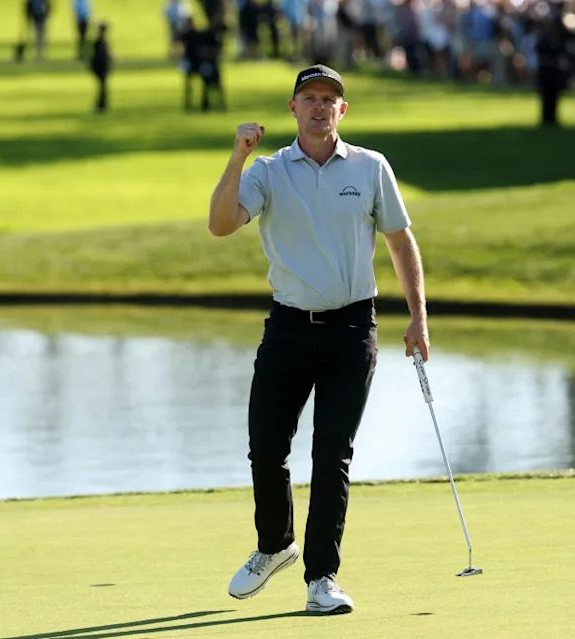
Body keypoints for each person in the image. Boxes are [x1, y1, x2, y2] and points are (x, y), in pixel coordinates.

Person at [208, 64, 429, 614]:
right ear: (293, 108)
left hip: (353, 331)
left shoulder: (371, 168)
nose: (319, 106)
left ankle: (321, 578)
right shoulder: (268, 170)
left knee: (332, 455)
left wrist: (419, 318)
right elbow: (220, 223)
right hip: (287, 329)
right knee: (266, 448)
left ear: (342, 111)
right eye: (309, 97)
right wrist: (237, 156)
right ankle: (274, 545)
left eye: (329, 99)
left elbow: (401, 243)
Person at [89, 21, 113, 113]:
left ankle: (101, 105)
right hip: (102, 67)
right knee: (103, 87)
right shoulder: (101, 42)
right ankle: (101, 105)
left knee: (102, 87)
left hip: (100, 67)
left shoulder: (99, 41)